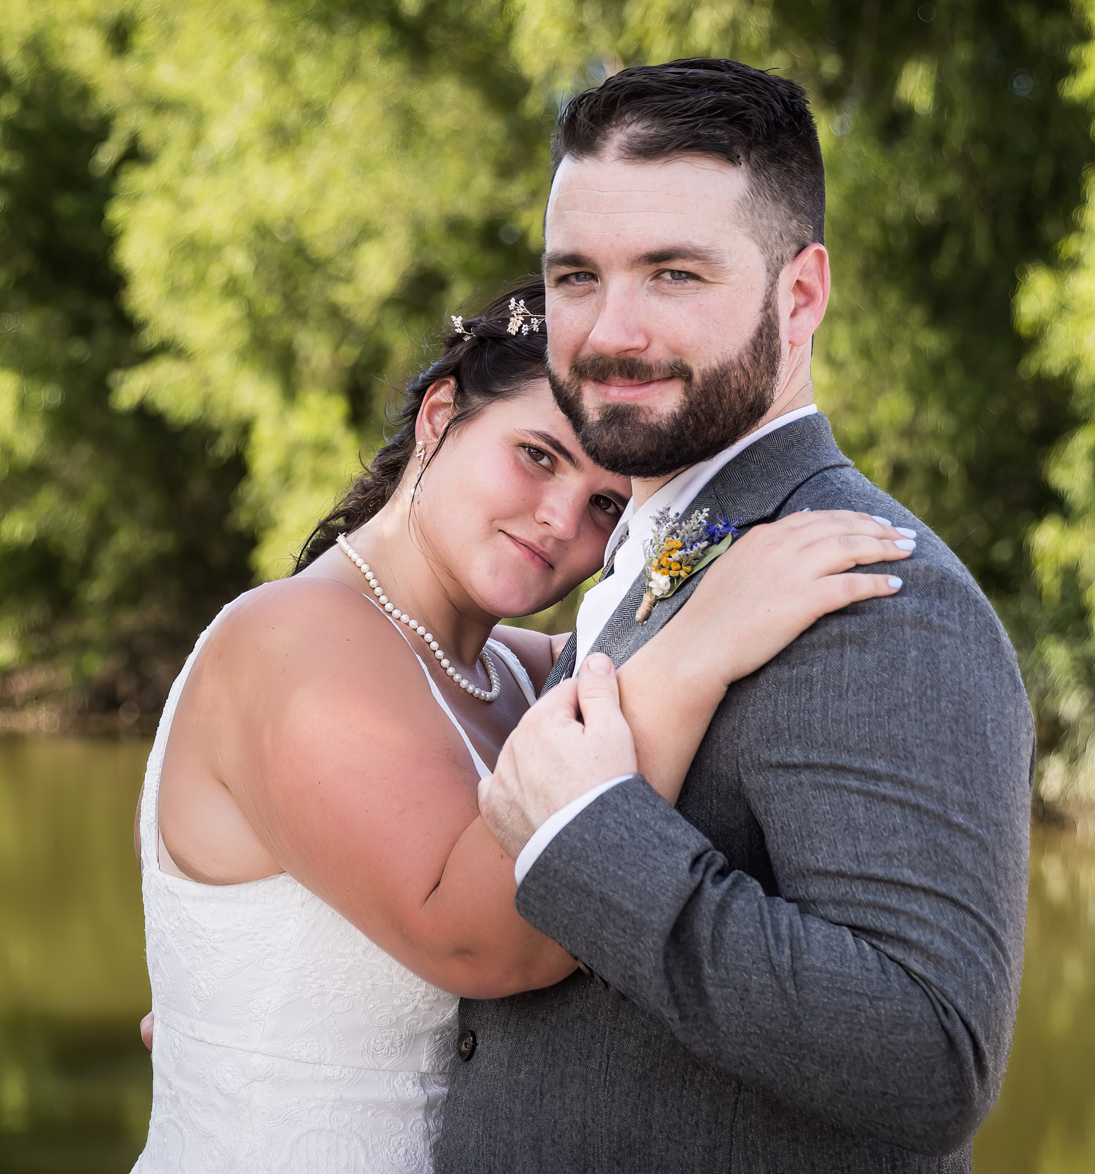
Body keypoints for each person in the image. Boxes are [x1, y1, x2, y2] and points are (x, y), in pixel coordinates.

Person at [129, 277, 914, 1172]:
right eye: (538, 456)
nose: (559, 518)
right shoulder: (290, 642)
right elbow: (484, 939)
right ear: (439, 418)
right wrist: (704, 645)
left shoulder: (525, 672)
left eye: (606, 505)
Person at [437, 59, 1035, 1172]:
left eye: (673, 274)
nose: (612, 329)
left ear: (799, 295)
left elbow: (930, 1059)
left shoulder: (880, 600)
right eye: (577, 277)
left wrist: (588, 843)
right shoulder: (654, 546)